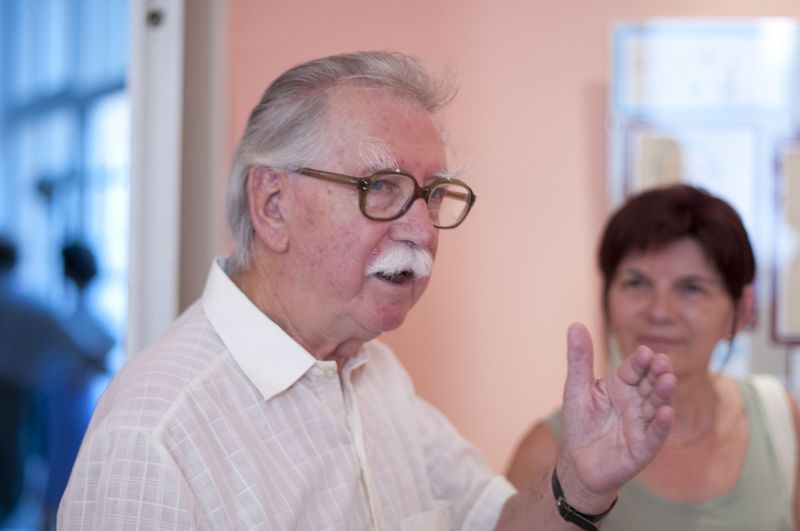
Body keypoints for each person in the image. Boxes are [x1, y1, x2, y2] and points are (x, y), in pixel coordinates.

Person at [59, 51, 676, 530]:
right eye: (380, 186)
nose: (422, 231)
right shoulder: (154, 438)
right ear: (272, 205)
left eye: (432, 195)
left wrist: (581, 483)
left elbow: (494, 525)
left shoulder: (375, 373)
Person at [506, 184, 800, 530]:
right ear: (606, 301)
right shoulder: (548, 452)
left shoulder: (781, 420)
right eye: (637, 283)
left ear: (741, 311)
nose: (660, 312)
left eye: (692, 288)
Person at [41, 242, 114, 529]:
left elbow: (102, 351)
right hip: (64, 397)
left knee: (66, 463)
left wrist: (84, 366)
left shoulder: (82, 316)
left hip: (73, 398)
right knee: (60, 462)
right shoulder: (74, 313)